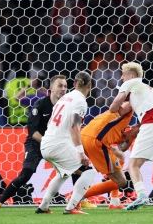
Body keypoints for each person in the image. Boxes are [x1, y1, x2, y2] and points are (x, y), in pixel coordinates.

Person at [0, 75, 68, 208]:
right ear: (51, 88)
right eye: (60, 86)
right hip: (36, 144)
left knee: (78, 167)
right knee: (25, 175)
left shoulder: (66, 106)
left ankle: (81, 200)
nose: (63, 89)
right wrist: (48, 142)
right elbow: (32, 131)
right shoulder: (39, 102)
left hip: (54, 145)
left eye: (65, 86)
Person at [109, 62, 153, 210]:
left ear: (132, 76)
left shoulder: (131, 83)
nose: (121, 78)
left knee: (133, 165)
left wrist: (117, 108)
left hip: (151, 126)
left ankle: (141, 196)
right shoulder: (149, 90)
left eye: (123, 74)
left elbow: (114, 107)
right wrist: (129, 132)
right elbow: (137, 112)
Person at [36, 72, 95, 215]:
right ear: (90, 86)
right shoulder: (80, 101)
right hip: (58, 144)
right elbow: (74, 126)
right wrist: (81, 152)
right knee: (88, 172)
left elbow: (51, 122)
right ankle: (71, 207)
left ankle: (43, 206)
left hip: (45, 144)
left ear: (74, 85)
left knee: (62, 174)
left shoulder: (64, 98)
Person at [79, 102, 135, 210]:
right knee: (121, 181)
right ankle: (77, 197)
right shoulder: (129, 105)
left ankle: (114, 202)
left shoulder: (123, 119)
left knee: (120, 157)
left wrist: (133, 133)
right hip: (96, 139)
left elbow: (122, 147)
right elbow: (119, 107)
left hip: (86, 135)